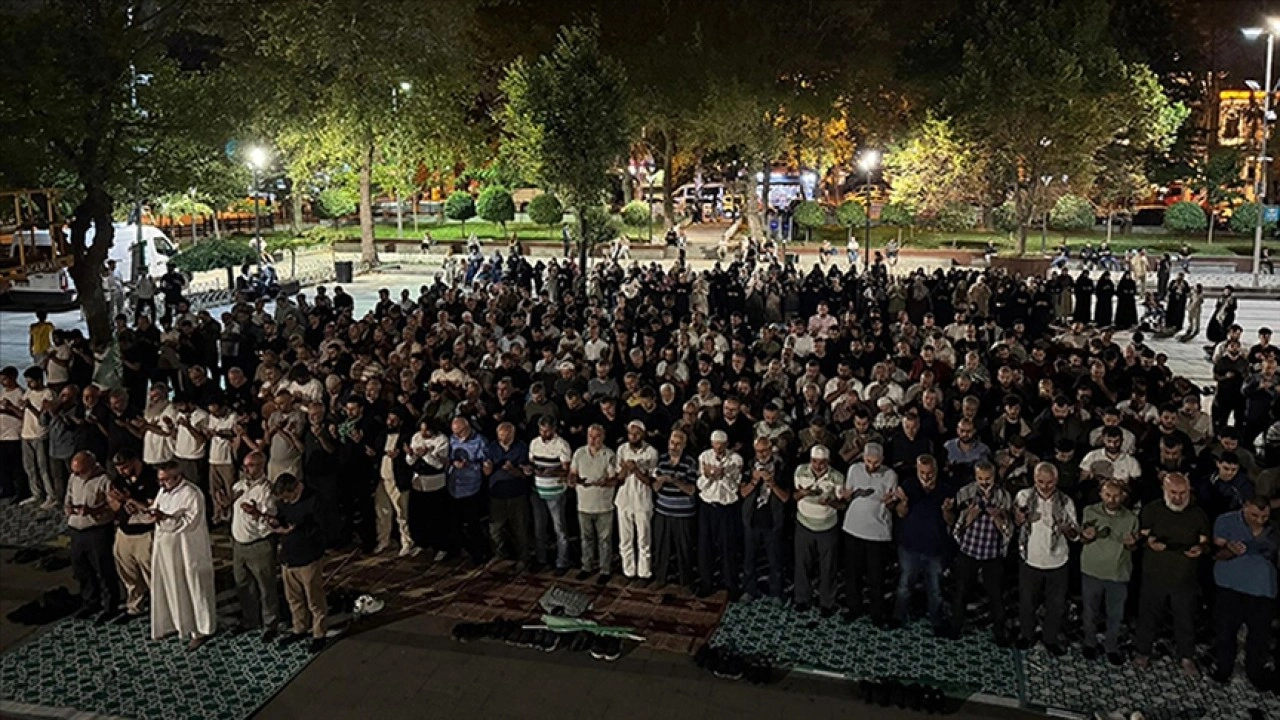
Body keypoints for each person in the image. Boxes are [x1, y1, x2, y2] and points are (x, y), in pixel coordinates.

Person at [1133, 473, 1210, 677]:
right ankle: (1143, 652)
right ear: (1164, 491)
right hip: (1154, 575)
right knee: (1148, 616)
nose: (1178, 497)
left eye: (1182, 493)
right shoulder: (1152, 510)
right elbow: (1140, 538)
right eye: (1173, 493)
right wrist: (1149, 544)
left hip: (1184, 577)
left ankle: (1186, 656)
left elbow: (1205, 542)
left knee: (1185, 619)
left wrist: (1200, 549)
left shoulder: (1198, 515)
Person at [149, 461, 217, 651]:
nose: (161, 484)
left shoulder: (192, 494)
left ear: (178, 477)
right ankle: (175, 623)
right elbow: (156, 510)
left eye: (165, 479)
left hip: (187, 550)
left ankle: (200, 630)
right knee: (171, 585)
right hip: (165, 549)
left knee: (193, 588)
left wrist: (165, 518)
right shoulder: (163, 492)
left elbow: (189, 521)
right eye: (159, 480)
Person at [1210, 497, 1276, 689]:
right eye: (1254, 515)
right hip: (1230, 587)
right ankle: (1223, 670)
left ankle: (1255, 673)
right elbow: (1216, 554)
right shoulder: (1226, 521)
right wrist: (1230, 550)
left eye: (1264, 516)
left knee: (1259, 637)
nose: (1259, 520)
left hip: (1262, 591)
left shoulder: (1274, 530)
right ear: (1245, 507)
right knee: (1225, 633)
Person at [1013, 462, 1078, 653]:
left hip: (1057, 561)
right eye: (1040, 482)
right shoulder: (1024, 496)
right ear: (1034, 479)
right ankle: (1026, 635)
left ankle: (1050, 638)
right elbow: (1016, 523)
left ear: (1056, 480)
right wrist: (1020, 518)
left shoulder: (1066, 502)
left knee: (1055, 605)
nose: (1045, 486)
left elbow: (1075, 535)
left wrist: (1066, 529)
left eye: (1049, 483)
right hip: (1030, 560)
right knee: (1027, 603)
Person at [892, 454, 955, 633]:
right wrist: (904, 502)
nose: (926, 477)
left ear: (936, 471)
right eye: (922, 472)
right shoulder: (909, 485)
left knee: (935, 589)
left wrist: (946, 511)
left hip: (935, 549)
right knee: (904, 586)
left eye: (930, 473)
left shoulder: (946, 490)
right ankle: (898, 617)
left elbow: (951, 521)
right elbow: (900, 513)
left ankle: (937, 622)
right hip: (910, 546)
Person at [1078, 479, 1139, 665]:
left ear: (1123, 496)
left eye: (1116, 496)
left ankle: (1111, 646)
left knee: (1115, 615)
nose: (1111, 499)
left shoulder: (1131, 519)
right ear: (1101, 494)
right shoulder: (1089, 512)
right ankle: (1090, 643)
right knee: (1090, 611)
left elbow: (1134, 547)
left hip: (1118, 574)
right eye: (1107, 495)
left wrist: (1131, 544)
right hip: (1092, 570)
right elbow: (1082, 539)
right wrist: (1086, 536)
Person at [271, 473, 330, 653]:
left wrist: (296, 529)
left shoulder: (314, 500)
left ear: (296, 488)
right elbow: (282, 517)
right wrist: (276, 523)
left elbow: (324, 527)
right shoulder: (283, 503)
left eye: (288, 497)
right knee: (293, 598)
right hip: (289, 557)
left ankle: (319, 633)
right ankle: (299, 628)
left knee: (314, 599)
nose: (286, 502)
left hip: (308, 557)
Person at [840, 442, 898, 626]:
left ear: (882, 460)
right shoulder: (854, 470)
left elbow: (892, 504)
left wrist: (890, 502)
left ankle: (877, 614)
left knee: (876, 577)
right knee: (853, 574)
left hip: (877, 533)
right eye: (868, 461)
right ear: (863, 458)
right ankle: (853, 608)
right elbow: (849, 495)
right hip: (853, 528)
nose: (872, 465)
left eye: (876, 462)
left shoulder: (890, 475)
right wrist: (845, 495)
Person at [65, 451, 120, 623]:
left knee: (103, 569)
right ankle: (91, 602)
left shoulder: (105, 480)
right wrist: (68, 508)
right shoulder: (74, 478)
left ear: (91, 467)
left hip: (97, 530)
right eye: (74, 471)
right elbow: (68, 496)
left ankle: (111, 605)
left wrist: (93, 511)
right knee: (82, 569)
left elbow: (114, 506)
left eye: (80, 471)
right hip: (76, 529)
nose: (76, 475)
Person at [230, 451, 280, 639]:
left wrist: (255, 512)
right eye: (245, 466)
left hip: (259, 545)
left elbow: (272, 519)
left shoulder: (267, 490)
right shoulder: (239, 486)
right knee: (243, 584)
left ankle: (270, 624)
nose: (246, 470)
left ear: (261, 466)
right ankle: (250, 619)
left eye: (251, 466)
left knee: (266, 586)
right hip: (239, 544)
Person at [793, 444, 842, 614]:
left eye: (822, 462)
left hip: (827, 527)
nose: (818, 466)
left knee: (828, 567)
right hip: (804, 524)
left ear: (828, 461)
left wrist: (830, 502)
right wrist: (803, 494)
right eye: (814, 461)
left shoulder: (837, 477)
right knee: (802, 564)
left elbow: (842, 505)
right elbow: (795, 496)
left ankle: (827, 602)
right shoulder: (800, 471)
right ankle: (802, 598)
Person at [697, 429, 743, 598]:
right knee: (705, 546)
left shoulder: (736, 459)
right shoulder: (704, 457)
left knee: (727, 547)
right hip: (708, 507)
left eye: (721, 445)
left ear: (726, 444)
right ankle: (706, 583)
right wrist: (708, 476)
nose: (718, 448)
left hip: (726, 508)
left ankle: (731, 584)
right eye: (715, 444)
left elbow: (734, 488)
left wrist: (723, 476)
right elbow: (700, 485)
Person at [570, 423, 618, 582]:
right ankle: (586, 566)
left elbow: (614, 479)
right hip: (584, 504)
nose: (593, 440)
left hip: (603, 506)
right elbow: (573, 473)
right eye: (590, 436)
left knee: (604, 540)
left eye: (597, 437)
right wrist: (573, 480)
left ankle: (605, 570)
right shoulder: (579, 453)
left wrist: (604, 482)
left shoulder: (608, 454)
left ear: (603, 437)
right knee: (586, 538)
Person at [652, 429, 698, 591]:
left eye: (678, 444)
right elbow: (655, 487)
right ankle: (660, 578)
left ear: (684, 445)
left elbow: (691, 490)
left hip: (683, 513)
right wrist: (660, 481)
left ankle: (686, 580)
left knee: (684, 548)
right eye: (672, 443)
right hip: (663, 511)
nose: (674, 446)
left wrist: (674, 480)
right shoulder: (662, 460)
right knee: (661, 547)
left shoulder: (690, 462)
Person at [485, 421, 534, 568]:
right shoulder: (492, 447)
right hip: (496, 494)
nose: (503, 439)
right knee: (495, 529)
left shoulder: (521, 447)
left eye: (506, 436)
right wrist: (487, 468)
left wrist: (513, 470)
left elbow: (525, 473)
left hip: (516, 494)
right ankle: (499, 554)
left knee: (520, 528)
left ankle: (524, 557)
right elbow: (486, 471)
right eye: (500, 436)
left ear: (513, 434)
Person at [615, 420, 659, 584]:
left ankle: (644, 572)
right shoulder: (622, 449)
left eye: (636, 434)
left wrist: (636, 470)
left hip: (642, 501)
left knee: (643, 539)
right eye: (630, 434)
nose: (632, 437)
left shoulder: (651, 452)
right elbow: (618, 478)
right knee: (625, 539)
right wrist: (625, 469)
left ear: (643, 434)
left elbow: (651, 481)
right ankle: (628, 571)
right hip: (624, 499)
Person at [528, 415, 572, 575]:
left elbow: (567, 470)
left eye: (547, 431)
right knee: (539, 528)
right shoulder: (534, 443)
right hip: (537, 491)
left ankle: (562, 562)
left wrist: (552, 471)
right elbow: (532, 463)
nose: (544, 434)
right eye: (541, 430)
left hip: (555, 491)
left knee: (559, 528)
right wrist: (530, 470)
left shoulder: (562, 445)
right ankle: (541, 559)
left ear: (554, 429)